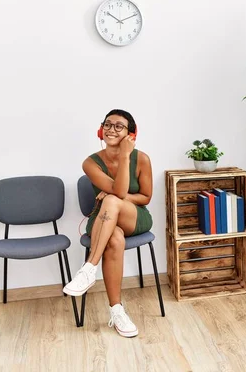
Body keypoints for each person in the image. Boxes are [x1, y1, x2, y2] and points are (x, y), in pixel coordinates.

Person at [63, 109, 153, 338]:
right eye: (108, 124)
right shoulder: (90, 163)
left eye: (119, 126)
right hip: (103, 218)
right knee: (114, 238)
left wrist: (124, 157)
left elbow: (145, 197)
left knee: (112, 198)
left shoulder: (141, 159)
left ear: (130, 135)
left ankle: (89, 268)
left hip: (135, 216)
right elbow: (119, 191)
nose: (111, 129)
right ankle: (117, 310)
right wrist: (114, 196)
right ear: (100, 130)